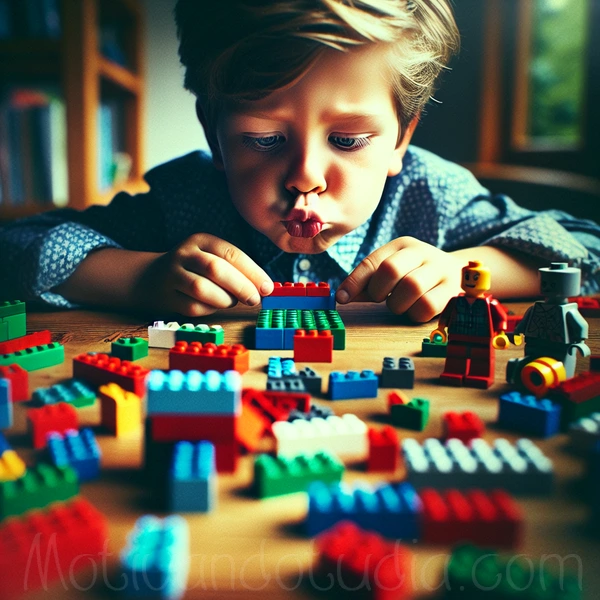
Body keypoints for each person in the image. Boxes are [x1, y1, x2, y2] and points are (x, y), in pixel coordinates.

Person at [1, 0, 599, 322]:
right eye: (263, 140)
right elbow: (15, 247)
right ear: (214, 134)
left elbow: (584, 248)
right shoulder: (185, 199)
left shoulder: (431, 195)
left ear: (399, 139)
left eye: (347, 140)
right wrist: (142, 279)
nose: (305, 177)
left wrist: (464, 271)